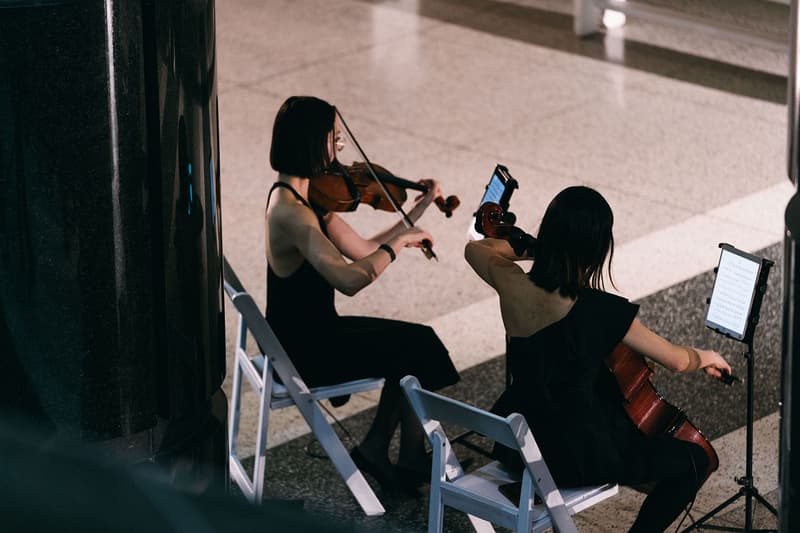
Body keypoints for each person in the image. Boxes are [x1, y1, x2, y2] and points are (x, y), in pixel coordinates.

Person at [464, 186, 732, 532]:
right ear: (599, 247)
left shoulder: (512, 284)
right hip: (577, 457)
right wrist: (706, 356)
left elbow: (476, 249)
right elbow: (677, 361)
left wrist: (536, 248)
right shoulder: (601, 311)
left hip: (522, 445)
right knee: (695, 460)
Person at [265, 95, 459, 494]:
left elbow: (362, 249)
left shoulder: (308, 197)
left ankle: (389, 451)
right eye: (334, 140)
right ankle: (405, 456)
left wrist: (416, 215)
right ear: (311, 143)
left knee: (414, 343)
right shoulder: (291, 212)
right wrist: (399, 243)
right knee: (416, 345)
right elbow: (350, 280)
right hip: (305, 350)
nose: (339, 149)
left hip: (314, 330)